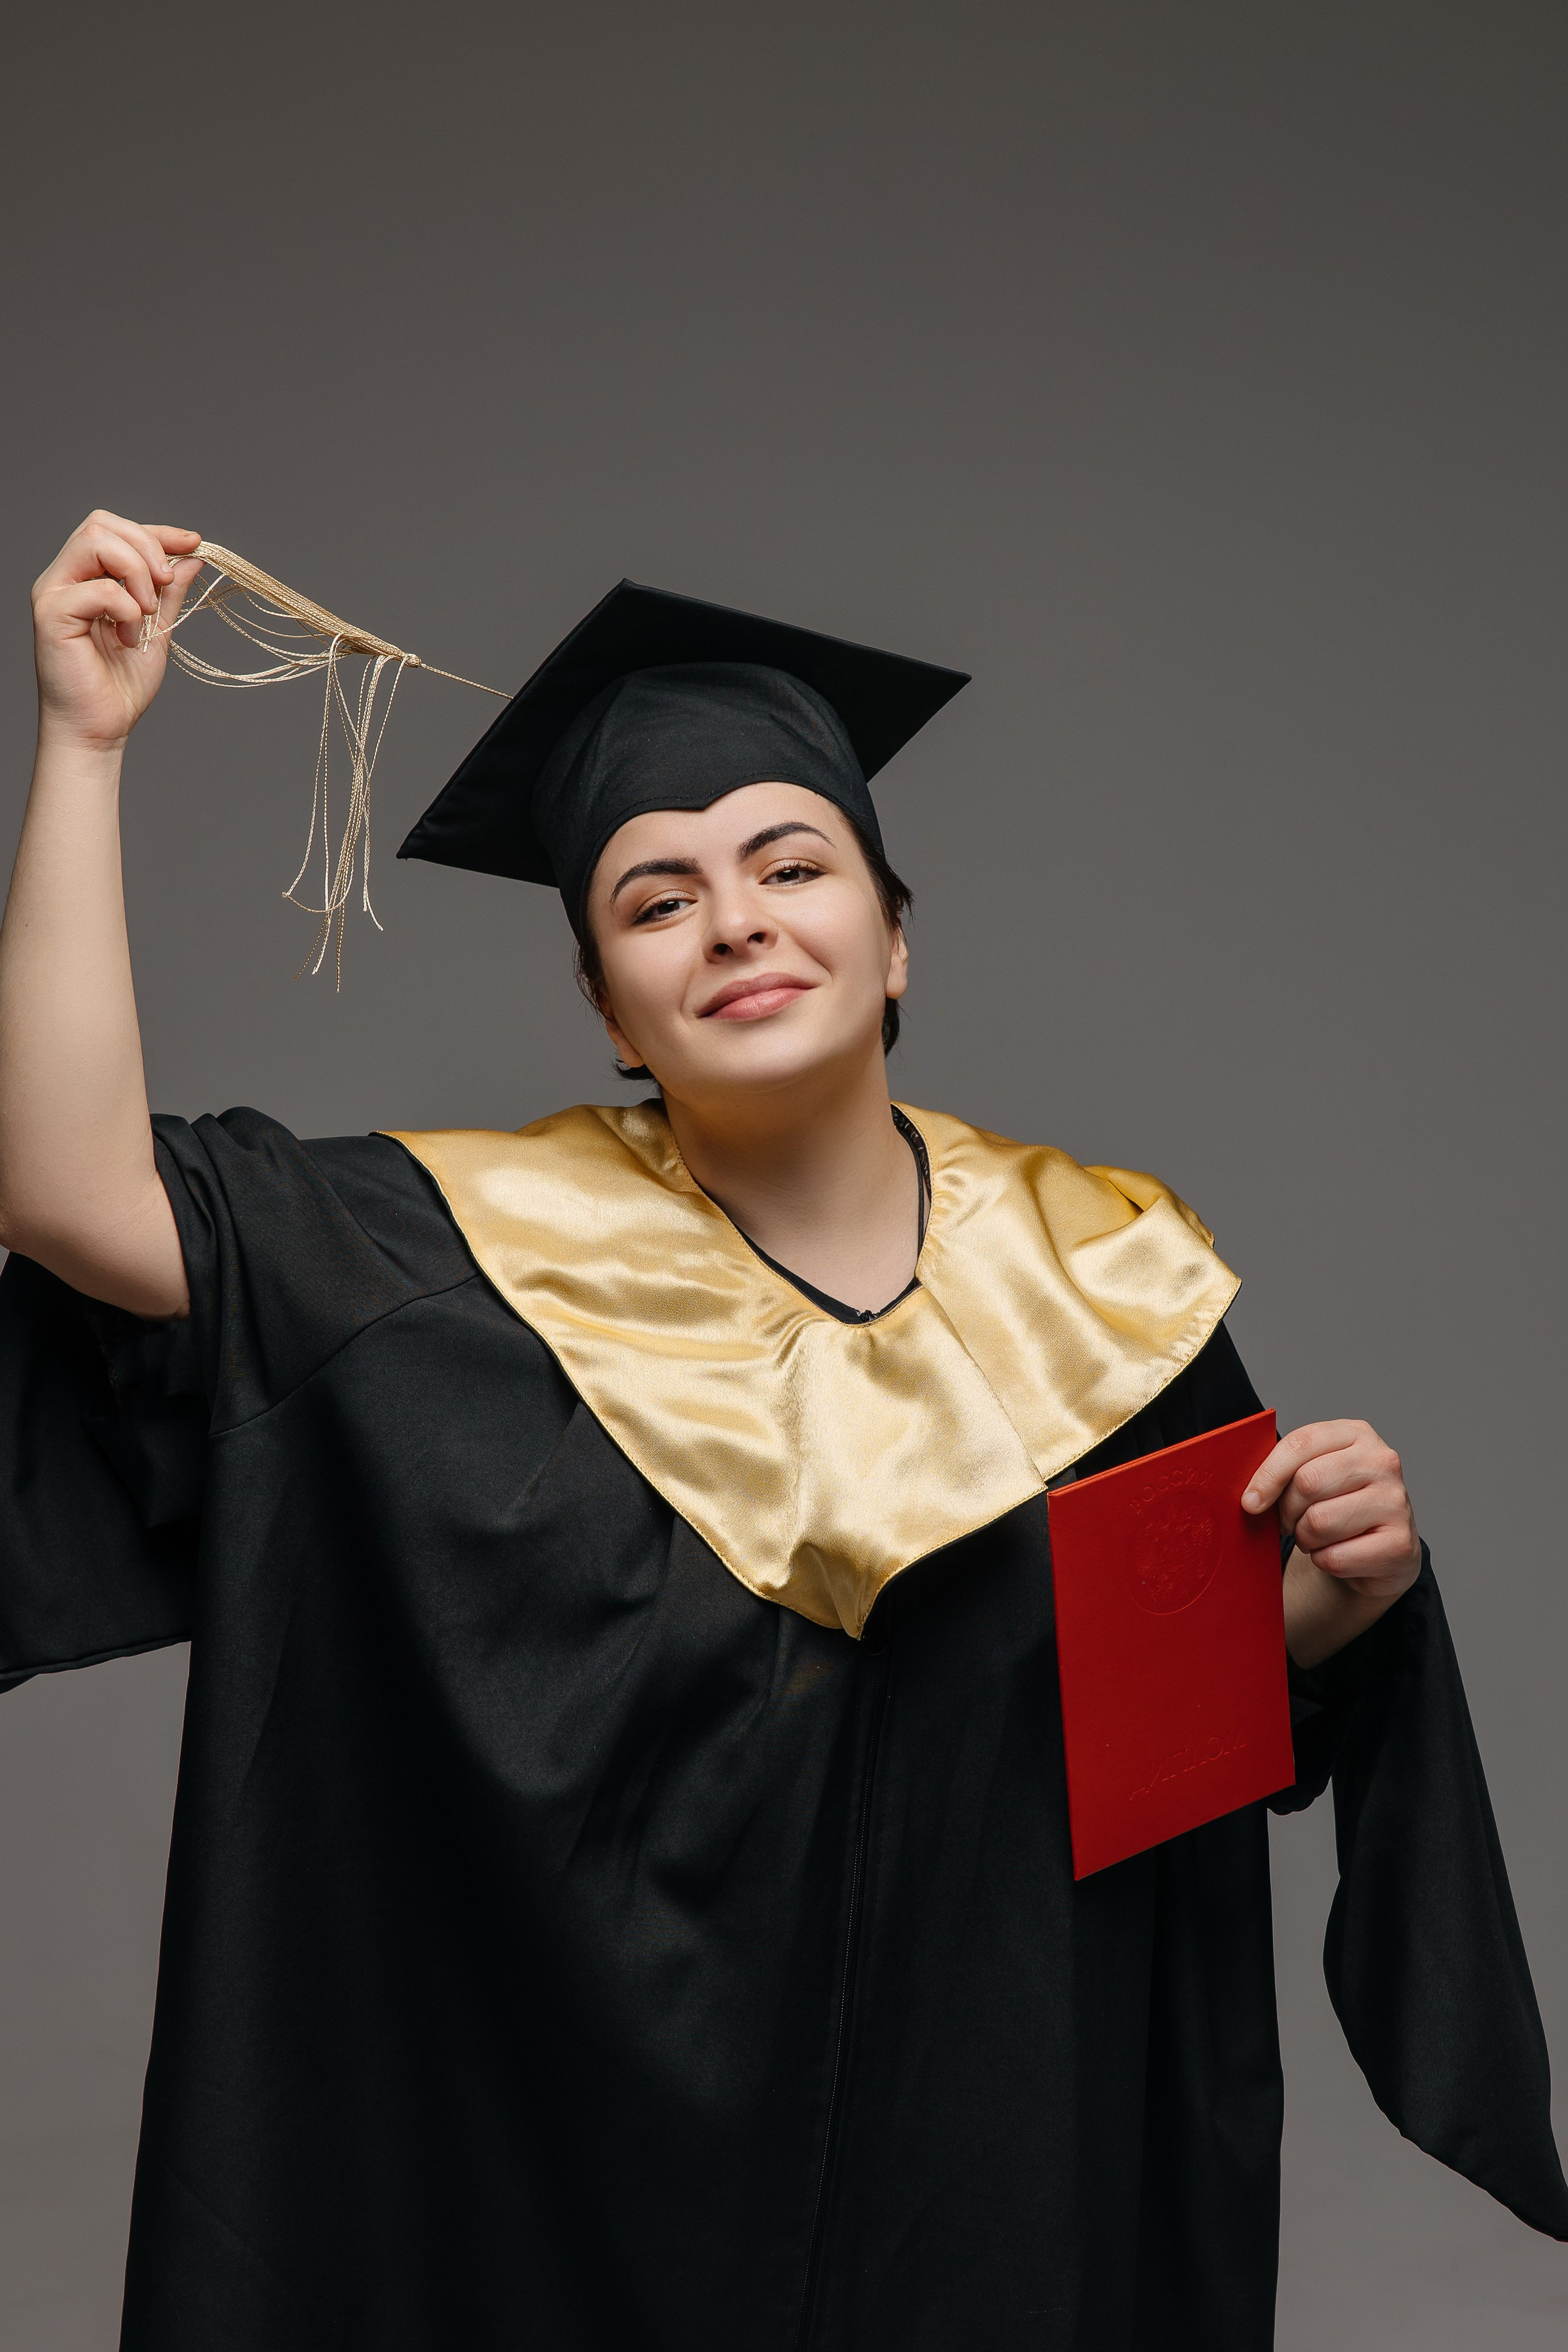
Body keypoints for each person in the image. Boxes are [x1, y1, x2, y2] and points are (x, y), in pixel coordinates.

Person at [0, 510, 1562, 2352]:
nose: (734, 918)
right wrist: (85, 746)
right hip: (581, 2208)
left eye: (791, 865)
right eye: (655, 898)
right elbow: (75, 1198)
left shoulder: (1105, 1290)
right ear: (608, 1006)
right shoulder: (454, 1266)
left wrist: (1327, 1599)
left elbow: (1138, 1734)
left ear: (895, 938)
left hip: (982, 2181)